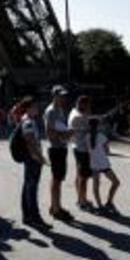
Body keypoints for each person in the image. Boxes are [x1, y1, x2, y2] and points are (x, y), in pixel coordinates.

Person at [19, 96, 50, 228]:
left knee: (28, 186)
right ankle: (34, 217)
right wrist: (40, 157)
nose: (37, 108)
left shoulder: (29, 120)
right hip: (32, 159)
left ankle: (27, 216)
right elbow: (30, 142)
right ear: (28, 108)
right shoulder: (28, 122)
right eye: (34, 106)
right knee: (32, 188)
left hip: (32, 158)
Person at [44, 86, 74, 220]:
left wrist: (67, 133)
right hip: (56, 148)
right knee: (56, 179)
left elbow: (59, 127)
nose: (63, 98)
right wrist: (65, 134)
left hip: (61, 147)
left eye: (64, 96)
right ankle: (56, 210)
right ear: (54, 96)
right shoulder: (51, 111)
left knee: (58, 179)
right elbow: (49, 132)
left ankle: (55, 206)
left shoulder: (60, 109)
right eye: (60, 96)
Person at [88, 117, 120, 211]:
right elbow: (107, 151)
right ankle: (109, 201)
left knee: (96, 185)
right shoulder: (101, 136)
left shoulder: (87, 136)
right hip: (103, 163)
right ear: (98, 126)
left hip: (93, 164)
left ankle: (99, 205)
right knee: (116, 182)